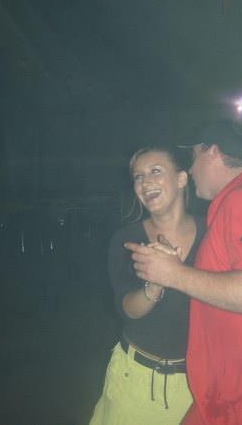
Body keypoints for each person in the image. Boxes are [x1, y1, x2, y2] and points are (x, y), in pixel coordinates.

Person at [127, 121, 242, 425]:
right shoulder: (241, 200)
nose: (191, 169)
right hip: (236, 388)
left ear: (212, 152)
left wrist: (173, 274)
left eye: (194, 157)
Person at [89, 145, 205, 425]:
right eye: (138, 177)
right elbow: (127, 309)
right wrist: (153, 286)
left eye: (155, 171)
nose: (145, 182)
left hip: (198, 385)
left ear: (181, 178)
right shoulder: (126, 239)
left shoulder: (212, 233)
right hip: (136, 381)